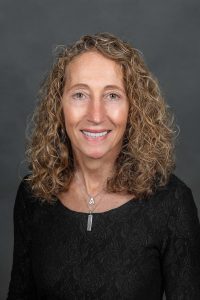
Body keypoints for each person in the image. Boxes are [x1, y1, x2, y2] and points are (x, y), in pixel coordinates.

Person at [7, 32, 200, 300]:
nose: (95, 115)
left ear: (134, 107)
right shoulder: (32, 195)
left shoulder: (172, 203)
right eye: (79, 95)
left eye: (112, 95)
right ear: (58, 105)